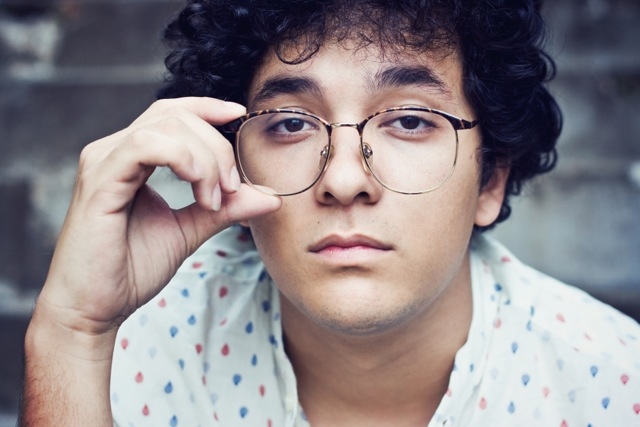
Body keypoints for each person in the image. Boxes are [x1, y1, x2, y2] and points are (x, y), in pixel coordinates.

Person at [20, 0, 640, 426]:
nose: (344, 181)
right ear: (233, 163)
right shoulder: (135, 351)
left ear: (491, 179)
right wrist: (72, 334)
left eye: (410, 120)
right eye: (291, 123)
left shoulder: (613, 385)